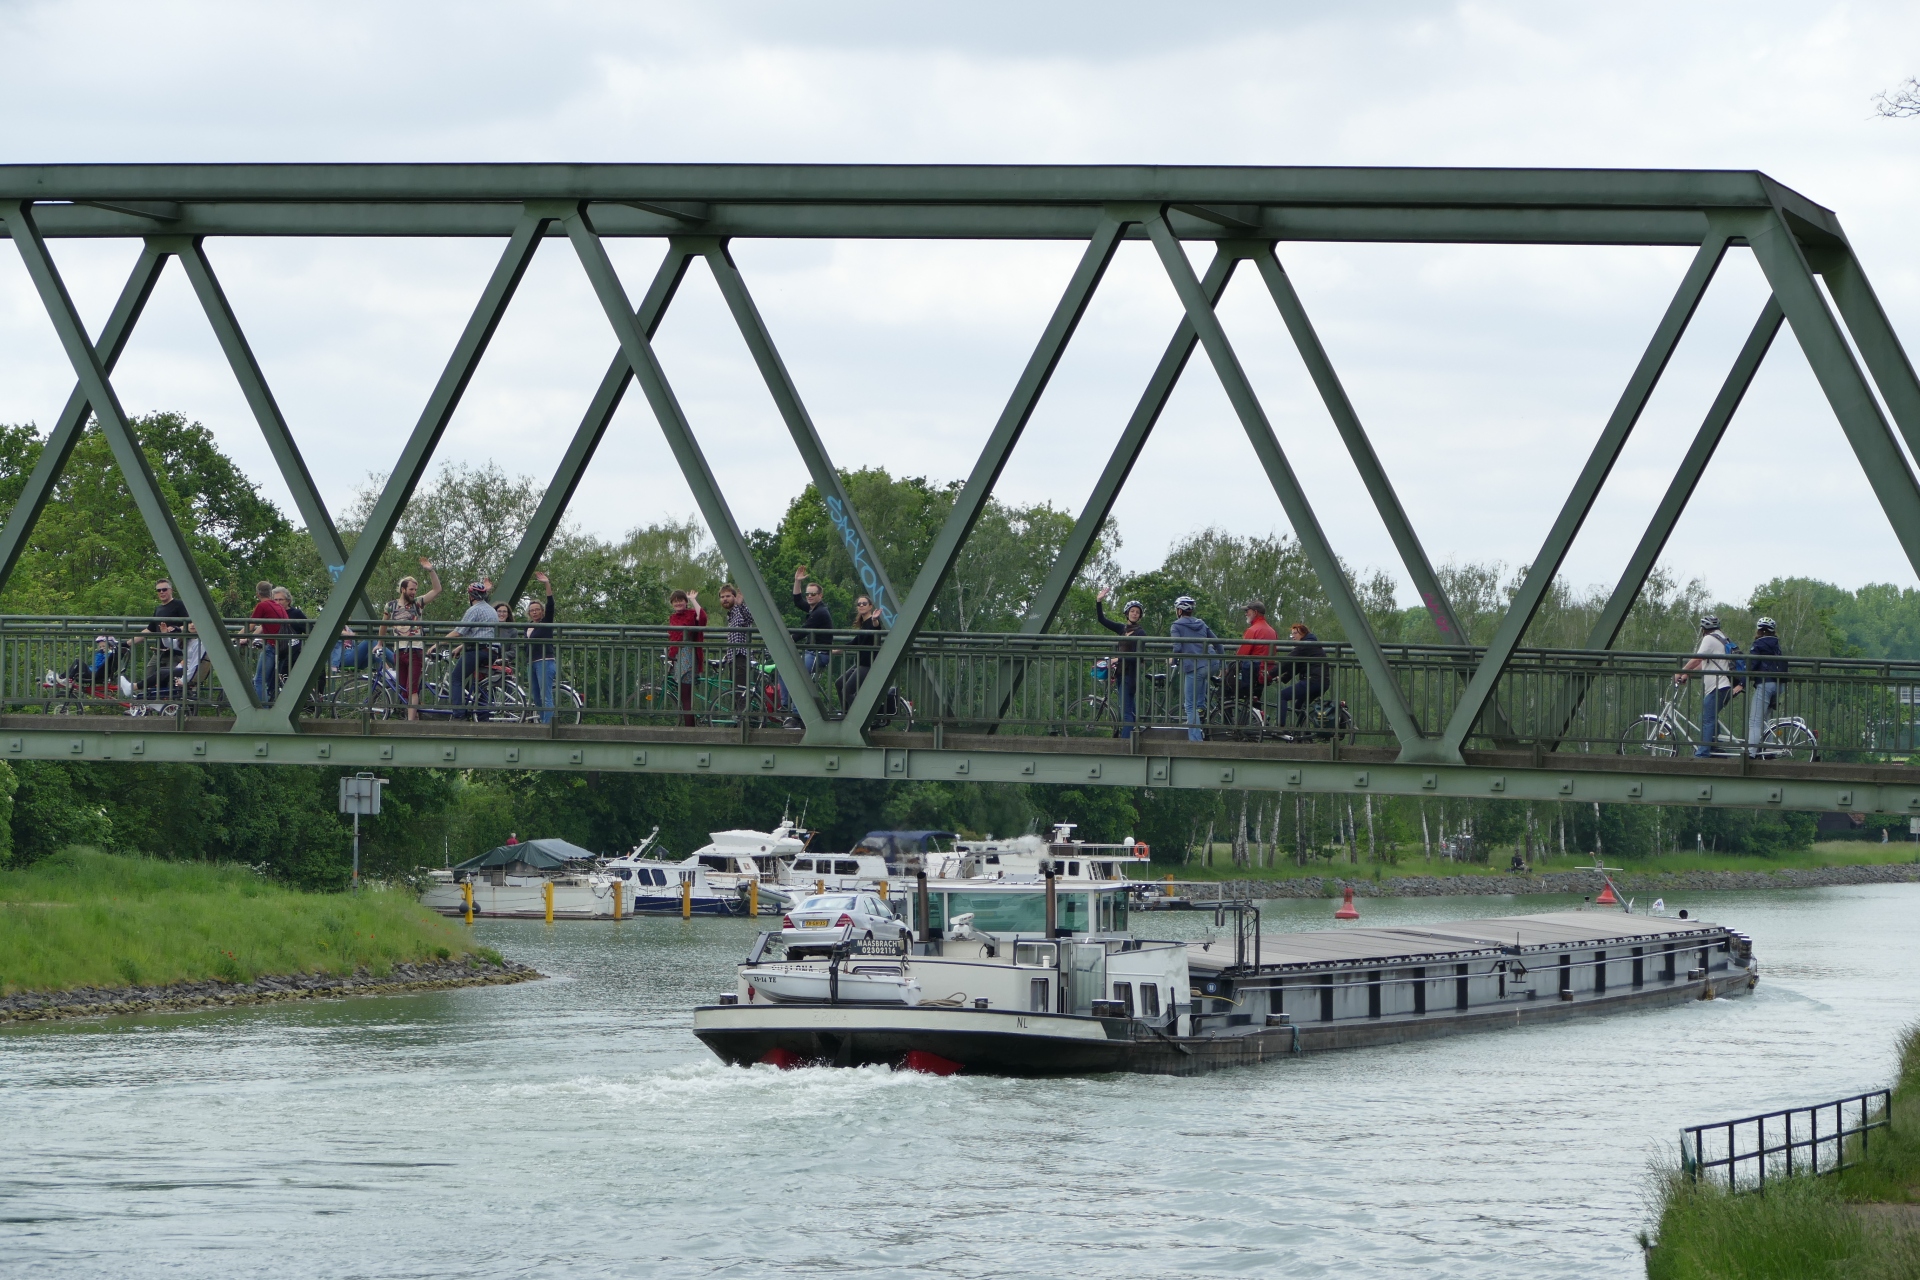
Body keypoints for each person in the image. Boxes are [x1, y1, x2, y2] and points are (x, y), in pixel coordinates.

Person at [1674, 613, 1742, 758]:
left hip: (1719, 686)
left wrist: (1680, 671)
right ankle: (1714, 747)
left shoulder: (1709, 639)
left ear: (1703, 629)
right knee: (1706, 716)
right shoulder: (1721, 638)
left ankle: (1704, 753)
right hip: (1724, 686)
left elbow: (1697, 658)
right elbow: (1704, 663)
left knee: (1707, 718)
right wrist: (1688, 674)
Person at [383, 558, 441, 721]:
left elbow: (437, 590)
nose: (414, 592)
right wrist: (380, 642)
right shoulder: (391, 606)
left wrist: (431, 570)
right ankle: (414, 718)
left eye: (415, 590)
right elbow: (383, 624)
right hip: (398, 650)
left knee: (412, 688)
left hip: (415, 650)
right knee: (402, 688)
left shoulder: (417, 603)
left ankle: (410, 723)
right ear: (403, 589)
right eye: (411, 589)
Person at [781, 565, 832, 728]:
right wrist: (797, 581)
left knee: (801, 678)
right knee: (784, 670)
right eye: (808, 594)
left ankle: (798, 716)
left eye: (813, 594)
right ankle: (786, 705)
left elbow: (802, 632)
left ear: (820, 595)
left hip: (819, 653)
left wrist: (785, 640)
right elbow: (797, 600)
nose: (809, 596)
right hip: (811, 651)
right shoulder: (813, 608)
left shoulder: (820, 612)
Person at [1094, 587, 1144, 738]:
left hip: (1130, 675)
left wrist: (1118, 658)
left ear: (1140, 616)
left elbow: (1138, 656)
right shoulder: (1122, 629)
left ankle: (1125, 744)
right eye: (1132, 611)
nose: (1134, 614)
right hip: (1121, 674)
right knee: (1130, 711)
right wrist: (1099, 601)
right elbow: (1102, 620)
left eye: (1137, 612)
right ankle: (1135, 738)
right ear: (1127, 613)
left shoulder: (1140, 633)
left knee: (1126, 713)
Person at [446, 580, 498, 721]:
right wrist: (460, 647)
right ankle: (480, 711)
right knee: (478, 682)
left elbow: (458, 632)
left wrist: (437, 643)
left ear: (471, 596)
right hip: (491, 651)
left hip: (477, 650)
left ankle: (458, 715)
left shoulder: (473, 610)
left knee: (456, 679)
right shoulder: (491, 610)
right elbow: (481, 633)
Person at [1169, 596, 1219, 743]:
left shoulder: (1176, 625)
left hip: (1195, 666)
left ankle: (1196, 740)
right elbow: (1217, 642)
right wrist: (1222, 665)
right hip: (1212, 663)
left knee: (1189, 705)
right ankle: (1201, 708)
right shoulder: (1201, 623)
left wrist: (1174, 660)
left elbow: (1177, 647)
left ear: (1179, 610)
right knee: (1197, 701)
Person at [131, 579, 190, 692]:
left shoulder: (179, 605)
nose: (161, 592)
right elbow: (150, 629)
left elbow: (189, 625)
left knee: (170, 680)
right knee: (149, 674)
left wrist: (175, 629)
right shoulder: (158, 609)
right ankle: (147, 702)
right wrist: (128, 642)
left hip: (175, 651)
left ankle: (171, 704)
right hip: (159, 650)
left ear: (171, 590)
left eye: (164, 589)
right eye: (159, 590)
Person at [1226, 600, 1278, 721]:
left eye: (1247, 611)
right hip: (1265, 674)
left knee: (1224, 692)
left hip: (1251, 674)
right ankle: (1257, 724)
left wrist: (1228, 667)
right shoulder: (1272, 631)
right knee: (1255, 700)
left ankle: (1227, 724)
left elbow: (1242, 654)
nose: (1245, 614)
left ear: (1255, 612)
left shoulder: (1253, 630)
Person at [1745, 616, 1785, 757]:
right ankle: (1768, 751)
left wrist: (1742, 681)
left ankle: (1750, 753)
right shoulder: (1777, 645)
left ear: (1759, 630)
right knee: (1765, 720)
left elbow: (1751, 666)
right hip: (1779, 684)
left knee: (1755, 720)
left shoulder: (1758, 645)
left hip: (1765, 684)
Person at [1275, 621, 1326, 730]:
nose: (1293, 636)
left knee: (1282, 695)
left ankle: (1279, 728)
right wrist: (1282, 678)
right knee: (1299, 706)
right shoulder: (1311, 645)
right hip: (1321, 682)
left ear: (1303, 634)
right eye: (1291, 634)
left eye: (1295, 634)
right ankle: (1305, 734)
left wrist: (1269, 673)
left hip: (1312, 681)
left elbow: (1286, 662)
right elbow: (1297, 667)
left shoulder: (1304, 645)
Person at [667, 588, 707, 727]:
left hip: (687, 657)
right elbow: (673, 639)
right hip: (678, 657)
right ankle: (690, 725)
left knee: (686, 695)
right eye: (675, 601)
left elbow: (702, 618)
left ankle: (690, 728)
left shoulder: (690, 614)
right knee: (684, 695)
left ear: (685, 602)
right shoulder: (673, 618)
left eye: (680, 601)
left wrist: (693, 600)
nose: (678, 604)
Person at [523, 571, 558, 725]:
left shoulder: (546, 622)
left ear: (542, 611)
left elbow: (551, 605)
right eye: (532, 610)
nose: (535, 612)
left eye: (537, 609)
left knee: (545, 695)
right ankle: (543, 721)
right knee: (536, 696)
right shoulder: (528, 626)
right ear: (529, 613)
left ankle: (548, 725)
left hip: (545, 661)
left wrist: (546, 584)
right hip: (531, 663)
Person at [838, 594, 883, 709]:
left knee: (847, 691)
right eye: (859, 604)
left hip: (868, 665)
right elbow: (855, 642)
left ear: (870, 607)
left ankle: (858, 718)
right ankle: (845, 713)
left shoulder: (871, 622)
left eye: (864, 604)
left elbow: (876, 628)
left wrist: (875, 619)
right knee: (839, 683)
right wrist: (835, 650)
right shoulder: (863, 625)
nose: (861, 605)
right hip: (860, 664)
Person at [718, 582, 755, 723]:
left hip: (741, 656)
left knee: (740, 690)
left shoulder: (738, 610)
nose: (725, 599)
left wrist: (740, 604)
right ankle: (738, 719)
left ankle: (742, 720)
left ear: (734, 596)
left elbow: (747, 620)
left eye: (728, 596)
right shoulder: (731, 614)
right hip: (734, 657)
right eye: (722, 597)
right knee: (736, 690)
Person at [247, 581, 288, 704]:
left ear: (258, 594)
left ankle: (263, 711)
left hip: (271, 646)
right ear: (270, 593)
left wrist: (237, 637)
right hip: (283, 646)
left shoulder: (262, 606)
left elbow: (250, 625)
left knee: (259, 680)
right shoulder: (278, 606)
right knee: (267, 679)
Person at [271, 587, 308, 685]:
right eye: (275, 600)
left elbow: (310, 628)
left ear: (288, 601)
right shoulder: (272, 614)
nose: (278, 602)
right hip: (276, 651)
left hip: (291, 652)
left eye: (281, 599)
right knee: (271, 680)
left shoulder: (296, 613)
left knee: (283, 679)